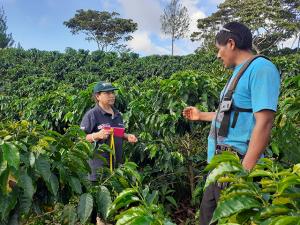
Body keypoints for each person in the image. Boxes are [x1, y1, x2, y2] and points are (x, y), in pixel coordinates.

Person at [183, 22, 280, 225]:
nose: (218, 55)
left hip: (236, 168)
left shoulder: (261, 68)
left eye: (219, 49)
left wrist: (243, 174)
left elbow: (265, 121)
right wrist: (201, 116)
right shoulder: (238, 72)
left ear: (231, 43)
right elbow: (229, 114)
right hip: (219, 169)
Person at [80, 81, 138, 181]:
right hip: (99, 171)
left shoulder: (117, 114)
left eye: (112, 93)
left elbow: (116, 132)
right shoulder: (92, 114)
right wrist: (97, 135)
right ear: (98, 96)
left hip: (116, 168)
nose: (112, 96)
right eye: (107, 93)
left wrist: (127, 136)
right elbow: (80, 138)